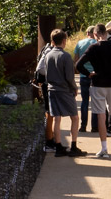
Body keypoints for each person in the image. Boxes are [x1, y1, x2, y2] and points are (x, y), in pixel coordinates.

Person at [79, 22, 111, 157]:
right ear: (106, 33)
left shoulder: (93, 48)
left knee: (101, 115)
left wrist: (89, 73)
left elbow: (79, 64)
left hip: (98, 84)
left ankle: (104, 148)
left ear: (95, 34)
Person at [34, 29, 82, 157]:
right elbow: (69, 77)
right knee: (75, 118)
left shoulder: (48, 55)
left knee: (56, 118)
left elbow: (44, 72)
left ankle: (58, 146)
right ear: (64, 41)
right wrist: (74, 88)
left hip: (51, 89)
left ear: (52, 41)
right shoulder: (65, 56)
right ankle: (73, 146)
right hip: (64, 90)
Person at [74, 23, 98, 136]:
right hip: (95, 76)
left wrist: (82, 71)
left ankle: (83, 126)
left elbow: (76, 61)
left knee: (84, 101)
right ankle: (94, 127)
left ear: (87, 33)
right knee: (94, 102)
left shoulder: (80, 43)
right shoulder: (97, 44)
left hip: (84, 76)